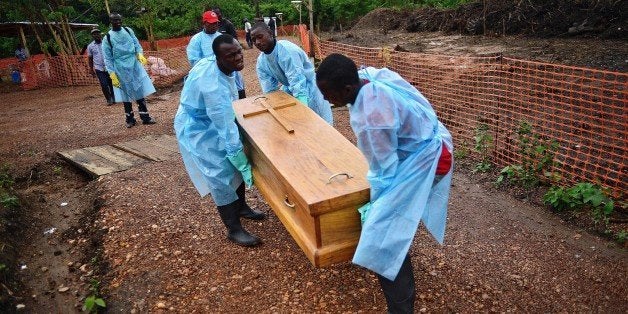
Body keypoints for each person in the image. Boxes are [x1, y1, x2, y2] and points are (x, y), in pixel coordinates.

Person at [316, 53, 454, 313]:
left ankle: (401, 307)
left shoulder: (371, 120)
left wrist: (377, 205)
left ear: (347, 88)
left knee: (383, 235)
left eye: (327, 93)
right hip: (428, 144)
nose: (324, 99)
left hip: (429, 160)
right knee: (390, 222)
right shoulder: (368, 77)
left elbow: (384, 172)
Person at [175, 34, 265, 247]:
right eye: (230, 55)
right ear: (218, 58)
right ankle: (233, 229)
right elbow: (225, 127)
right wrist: (239, 158)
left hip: (211, 117)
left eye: (238, 51)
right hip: (199, 128)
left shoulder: (217, 65)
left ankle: (242, 207)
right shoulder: (213, 88)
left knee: (234, 166)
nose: (237, 58)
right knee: (219, 174)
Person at [250, 22, 333, 125]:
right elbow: (270, 91)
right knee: (302, 130)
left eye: (260, 37)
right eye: (254, 40)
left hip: (310, 89)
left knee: (322, 127)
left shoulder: (287, 51)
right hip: (290, 90)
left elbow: (297, 81)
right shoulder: (261, 62)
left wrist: (302, 108)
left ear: (270, 33)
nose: (257, 42)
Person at [102, 13, 156, 128]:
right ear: (110, 22)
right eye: (115, 20)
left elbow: (136, 44)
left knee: (139, 90)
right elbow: (107, 58)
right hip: (120, 67)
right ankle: (130, 119)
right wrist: (112, 74)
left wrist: (139, 54)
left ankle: (145, 117)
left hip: (134, 64)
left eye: (119, 20)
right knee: (125, 94)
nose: (118, 22)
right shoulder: (107, 38)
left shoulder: (128, 31)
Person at [212, 7, 246, 99]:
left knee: (237, 82)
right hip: (223, 60)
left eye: (218, 13)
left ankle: (243, 100)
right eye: (215, 14)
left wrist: (235, 51)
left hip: (230, 57)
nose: (217, 16)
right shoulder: (210, 80)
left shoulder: (227, 24)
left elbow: (234, 38)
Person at [87, 28, 115, 106]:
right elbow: (90, 58)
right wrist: (91, 69)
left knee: (111, 83)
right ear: (92, 36)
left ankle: (113, 97)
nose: (96, 35)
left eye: (97, 33)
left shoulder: (106, 43)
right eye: (94, 34)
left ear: (100, 34)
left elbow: (112, 53)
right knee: (103, 84)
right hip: (99, 68)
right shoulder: (90, 46)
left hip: (109, 67)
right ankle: (108, 99)